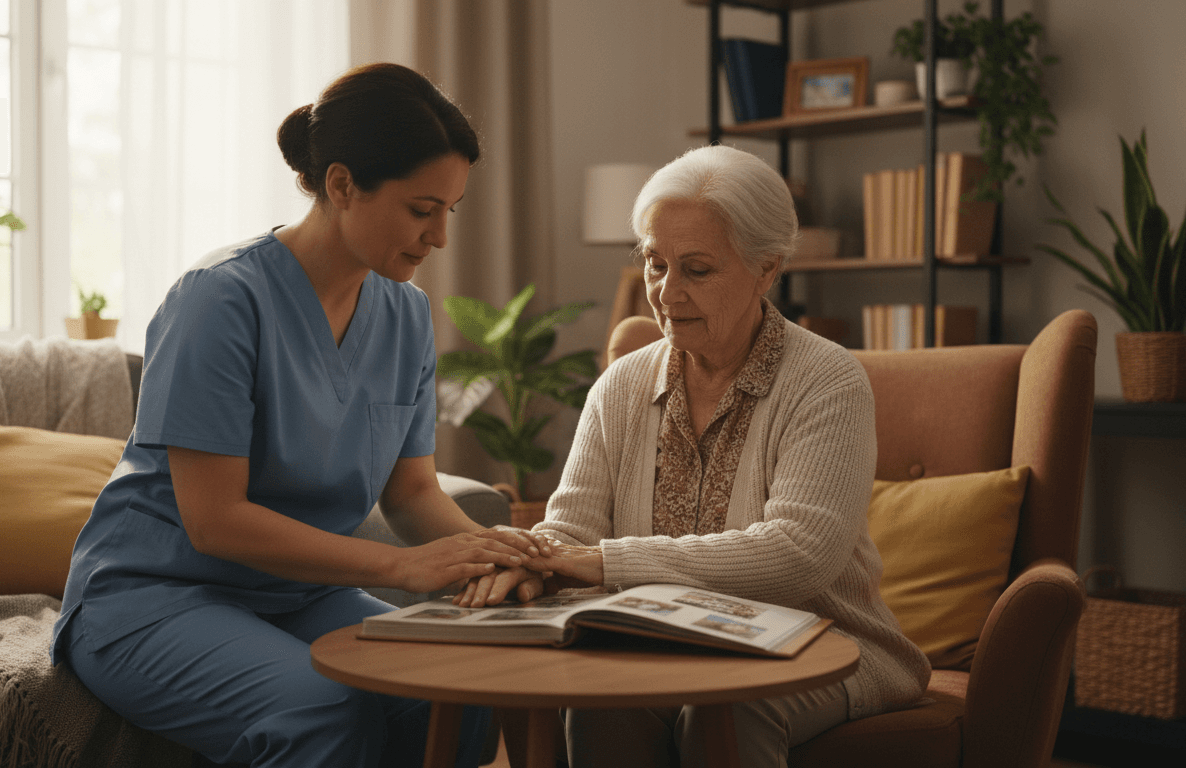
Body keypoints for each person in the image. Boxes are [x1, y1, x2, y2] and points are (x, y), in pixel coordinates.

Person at [51, 62, 553, 768]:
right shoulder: (218, 300)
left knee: (457, 690)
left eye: (451, 210)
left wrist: (490, 555)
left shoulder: (406, 313)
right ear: (342, 184)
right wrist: (402, 569)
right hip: (152, 597)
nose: (440, 237)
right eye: (420, 209)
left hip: (296, 597)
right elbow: (213, 518)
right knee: (318, 708)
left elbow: (411, 492)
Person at [453, 145, 931, 767]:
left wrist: (600, 563)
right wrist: (529, 561)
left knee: (732, 703)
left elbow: (799, 556)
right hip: (665, 642)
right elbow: (571, 529)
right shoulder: (620, 385)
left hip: (827, 642)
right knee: (601, 693)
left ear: (767, 268)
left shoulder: (828, 382)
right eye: (655, 264)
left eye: (697, 270)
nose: (666, 292)